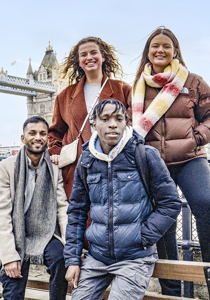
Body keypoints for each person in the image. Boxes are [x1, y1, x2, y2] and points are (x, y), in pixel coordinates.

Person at [131, 26, 210, 295]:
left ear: (175, 51)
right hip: (155, 163)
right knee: (164, 221)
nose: (161, 50)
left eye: (166, 46)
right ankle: (170, 286)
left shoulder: (193, 81)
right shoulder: (137, 87)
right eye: (155, 46)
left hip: (190, 158)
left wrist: (197, 138)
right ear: (148, 53)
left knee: (206, 205)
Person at [64, 99, 182, 300]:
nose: (113, 124)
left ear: (126, 123)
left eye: (119, 119)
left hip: (135, 259)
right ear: (94, 123)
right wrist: (73, 260)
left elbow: (170, 203)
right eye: (105, 118)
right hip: (97, 257)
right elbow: (76, 212)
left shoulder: (145, 155)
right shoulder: (86, 161)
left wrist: (142, 236)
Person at [0, 116, 69, 300]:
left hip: (45, 232)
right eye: (32, 133)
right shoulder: (5, 168)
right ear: (22, 138)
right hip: (14, 234)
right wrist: (10, 256)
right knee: (13, 282)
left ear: (48, 138)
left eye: (43, 133)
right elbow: (1, 215)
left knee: (61, 258)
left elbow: (62, 209)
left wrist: (70, 244)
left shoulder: (54, 168)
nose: (38, 137)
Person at [48, 36, 132, 201]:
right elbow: (55, 132)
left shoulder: (123, 90)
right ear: (78, 61)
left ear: (103, 57)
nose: (89, 57)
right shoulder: (64, 96)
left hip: (115, 164)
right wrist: (55, 151)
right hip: (78, 167)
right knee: (80, 219)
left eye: (94, 53)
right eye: (83, 55)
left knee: (115, 217)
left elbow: (132, 126)